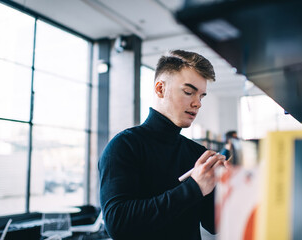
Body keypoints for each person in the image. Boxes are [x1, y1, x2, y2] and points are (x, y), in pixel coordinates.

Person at [98, 50, 229, 240]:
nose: (197, 103)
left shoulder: (197, 153)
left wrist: (225, 185)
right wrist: (194, 188)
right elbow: (118, 225)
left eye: (201, 96)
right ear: (160, 89)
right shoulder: (124, 146)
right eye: (188, 92)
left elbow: (213, 224)